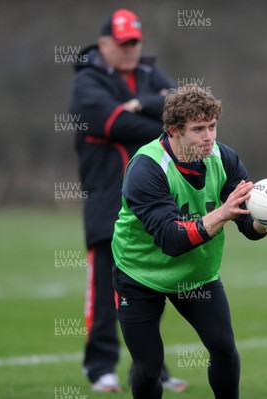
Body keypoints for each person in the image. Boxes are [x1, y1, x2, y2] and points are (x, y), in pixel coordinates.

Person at [111, 84, 267, 399]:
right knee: (148, 366)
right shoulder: (147, 168)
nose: (209, 136)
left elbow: (246, 224)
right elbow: (171, 239)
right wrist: (222, 213)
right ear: (174, 131)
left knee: (224, 348)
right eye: (198, 129)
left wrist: (266, 221)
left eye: (212, 126)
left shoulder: (224, 159)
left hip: (197, 275)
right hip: (141, 275)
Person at [70, 8, 186, 393]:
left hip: (151, 204)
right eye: (122, 44)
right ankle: (100, 368)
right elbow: (111, 123)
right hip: (107, 202)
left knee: (149, 291)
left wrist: (138, 106)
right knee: (106, 291)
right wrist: (155, 112)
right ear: (104, 45)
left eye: (135, 42)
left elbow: (183, 110)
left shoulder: (152, 75)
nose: (130, 50)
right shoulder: (87, 82)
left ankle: (155, 369)